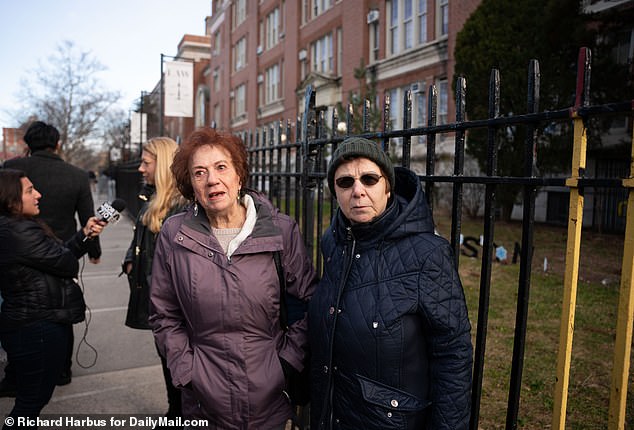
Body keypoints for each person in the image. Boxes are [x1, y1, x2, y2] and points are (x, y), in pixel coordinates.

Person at [149, 127, 317, 429]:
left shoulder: (281, 230)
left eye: (221, 167)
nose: (212, 179)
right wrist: (186, 371)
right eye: (199, 173)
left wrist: (284, 365)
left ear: (239, 175)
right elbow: (164, 314)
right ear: (191, 185)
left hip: (272, 397)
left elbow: (309, 303)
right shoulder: (174, 234)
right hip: (203, 401)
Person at [308, 137, 473, 430]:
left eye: (369, 179)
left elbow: (452, 354)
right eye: (345, 182)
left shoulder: (427, 254)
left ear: (387, 186)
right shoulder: (334, 243)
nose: (357, 190)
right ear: (335, 191)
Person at [0, 168, 106, 428]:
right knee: (30, 402)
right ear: (10, 198)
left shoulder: (20, 227)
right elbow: (67, 263)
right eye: (29, 191)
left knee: (33, 398)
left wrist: (84, 234)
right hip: (36, 326)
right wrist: (79, 243)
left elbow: (58, 256)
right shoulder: (17, 232)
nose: (38, 194)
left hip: (35, 321)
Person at [2, 121, 102, 391]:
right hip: (62, 249)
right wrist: (94, 250)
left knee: (19, 306)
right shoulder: (76, 174)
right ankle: (62, 369)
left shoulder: (11, 170)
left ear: (28, 144)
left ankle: (16, 371)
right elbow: (86, 214)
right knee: (61, 307)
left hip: (17, 253)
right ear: (57, 144)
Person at [122, 137, 187, 419]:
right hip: (157, 302)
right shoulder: (153, 200)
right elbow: (142, 237)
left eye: (146, 162)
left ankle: (180, 415)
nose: (140, 169)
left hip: (173, 308)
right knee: (167, 362)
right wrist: (129, 258)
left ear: (161, 165)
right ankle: (175, 412)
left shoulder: (182, 208)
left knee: (177, 366)